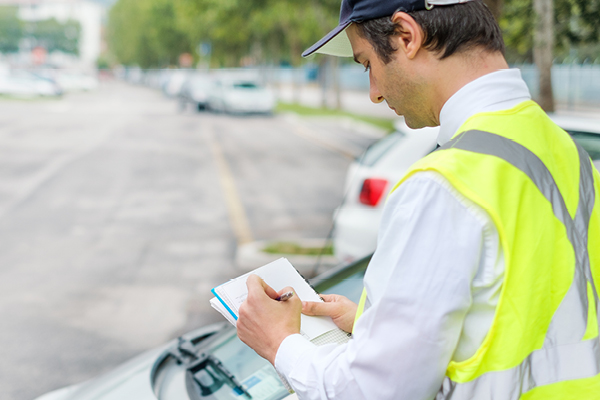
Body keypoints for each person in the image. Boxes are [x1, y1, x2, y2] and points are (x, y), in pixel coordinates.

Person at [237, 0, 600, 398]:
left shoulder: (443, 185)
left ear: (407, 36)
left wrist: (279, 343)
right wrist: (383, 331)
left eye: (367, 64)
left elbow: (374, 393)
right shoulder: (569, 155)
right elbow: (531, 309)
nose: (373, 92)